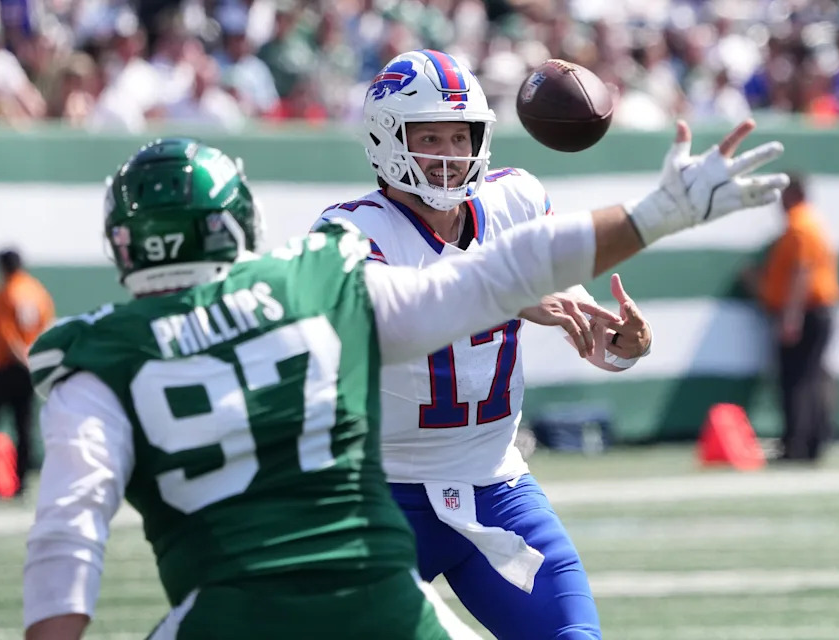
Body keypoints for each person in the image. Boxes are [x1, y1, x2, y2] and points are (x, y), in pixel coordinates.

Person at [22, 126, 786, 640]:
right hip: (376, 577)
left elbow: (67, 532)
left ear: (123, 242)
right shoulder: (318, 284)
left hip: (229, 605)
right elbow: (495, 278)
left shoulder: (93, 353)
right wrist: (657, 213)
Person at [314, 49, 785, 640]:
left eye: (459, 138)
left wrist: (624, 345)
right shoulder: (350, 232)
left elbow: (587, 331)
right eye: (428, 135)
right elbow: (397, 315)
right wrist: (506, 292)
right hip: (378, 497)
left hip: (494, 486)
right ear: (386, 139)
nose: (446, 155)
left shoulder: (514, 201)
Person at [755, 173, 839, 461]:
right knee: (812, 377)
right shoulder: (815, 223)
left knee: (796, 379)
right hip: (819, 310)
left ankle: (797, 445)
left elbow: (801, 271)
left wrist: (791, 316)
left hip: (805, 311)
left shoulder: (799, 226)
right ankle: (813, 442)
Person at [0, 248, 54, 500]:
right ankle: (22, 483)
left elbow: (8, 335)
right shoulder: (37, 290)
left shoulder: (4, 293)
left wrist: (22, 358)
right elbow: (46, 326)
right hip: (30, 366)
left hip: (9, 366)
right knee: (23, 426)